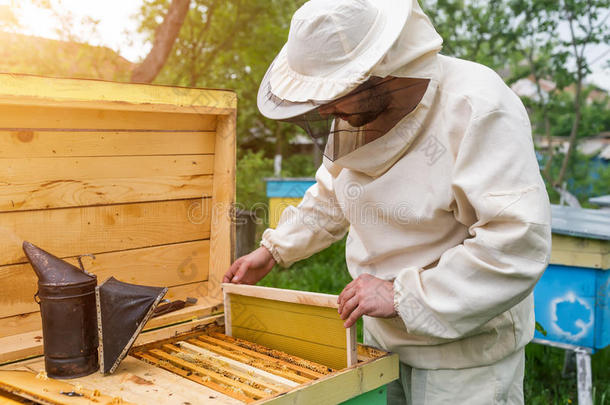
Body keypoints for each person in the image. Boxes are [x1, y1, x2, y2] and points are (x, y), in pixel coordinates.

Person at [224, 0, 552, 404]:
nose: (327, 110)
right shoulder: (355, 114)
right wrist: (273, 250)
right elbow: (334, 191)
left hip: (466, 357)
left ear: (379, 73)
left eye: (336, 95)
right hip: (380, 341)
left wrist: (401, 295)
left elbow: (516, 242)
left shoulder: (477, 106)